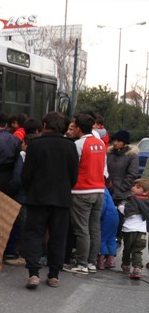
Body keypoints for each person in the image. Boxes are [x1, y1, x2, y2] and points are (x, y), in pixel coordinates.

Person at [21, 111, 79, 289]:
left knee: (34, 234)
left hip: (37, 197)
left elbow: (26, 174)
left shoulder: (35, 144)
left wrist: (30, 190)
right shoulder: (70, 146)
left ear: (45, 125)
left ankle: (33, 273)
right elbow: (74, 176)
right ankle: (54, 275)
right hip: (61, 198)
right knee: (58, 237)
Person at [63, 113, 107, 275]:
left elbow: (72, 167)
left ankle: (81, 264)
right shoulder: (100, 143)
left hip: (82, 191)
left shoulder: (78, 144)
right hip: (99, 190)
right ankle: (91, 262)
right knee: (94, 228)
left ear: (79, 128)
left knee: (81, 229)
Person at [102, 129, 138, 269]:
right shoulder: (109, 153)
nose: (115, 143)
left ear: (124, 142)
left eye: (118, 140)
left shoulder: (131, 155)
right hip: (108, 191)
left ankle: (112, 253)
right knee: (105, 222)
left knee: (117, 222)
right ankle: (102, 253)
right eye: (114, 140)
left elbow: (132, 174)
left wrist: (122, 188)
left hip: (122, 194)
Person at [116, 178, 149, 279]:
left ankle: (126, 265)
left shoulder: (132, 199)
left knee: (127, 249)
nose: (133, 188)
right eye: (133, 186)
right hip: (142, 231)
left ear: (145, 191)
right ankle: (137, 268)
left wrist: (120, 207)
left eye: (138, 187)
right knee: (137, 250)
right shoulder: (147, 202)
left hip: (130, 229)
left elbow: (128, 212)